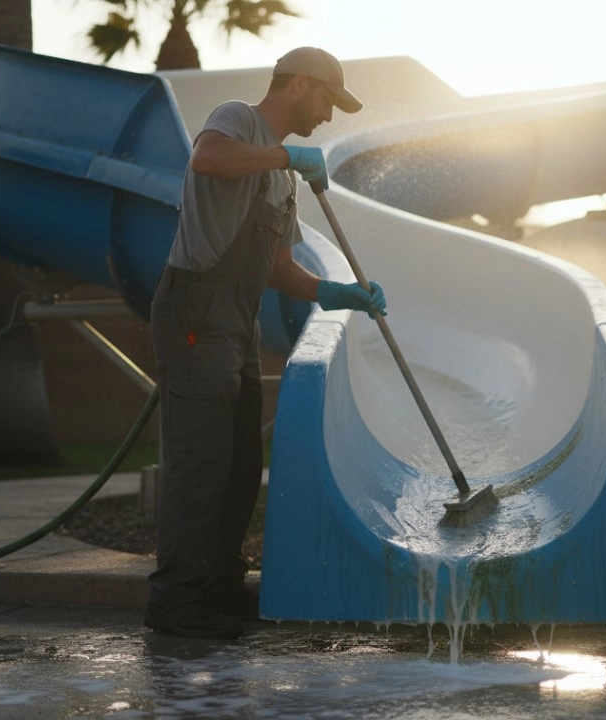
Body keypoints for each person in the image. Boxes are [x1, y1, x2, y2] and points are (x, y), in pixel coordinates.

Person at [144, 47, 386, 639]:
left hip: (239, 319)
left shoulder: (284, 179)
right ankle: (175, 602)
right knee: (200, 461)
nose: (329, 117)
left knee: (240, 464)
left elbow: (280, 268)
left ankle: (220, 590)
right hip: (197, 304)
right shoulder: (238, 120)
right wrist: (284, 154)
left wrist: (337, 293)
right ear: (299, 83)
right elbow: (207, 159)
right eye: (328, 99)